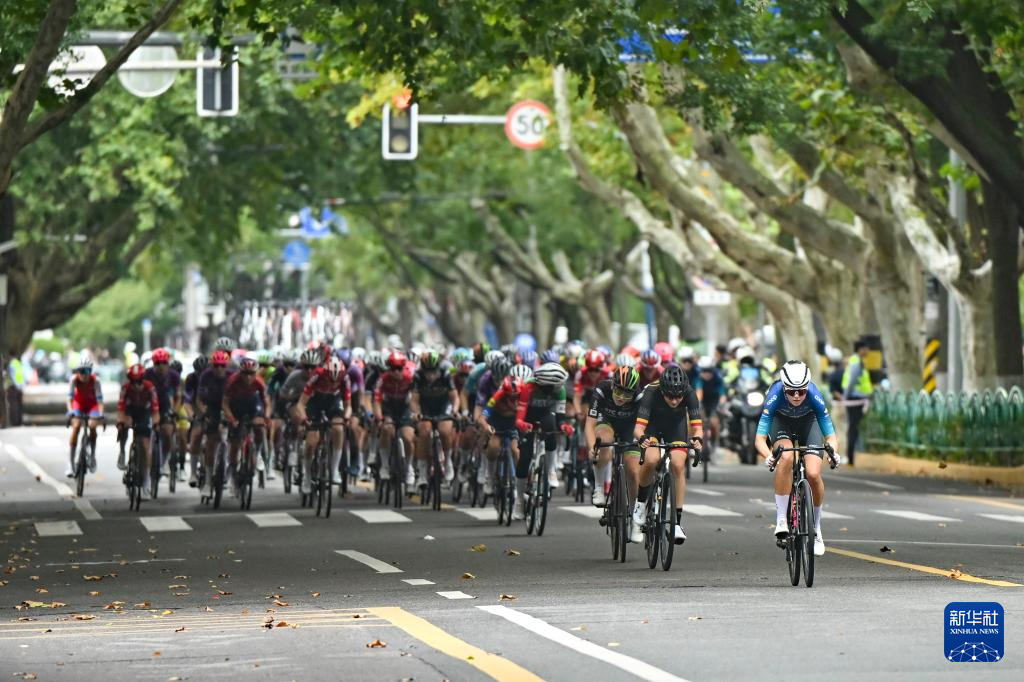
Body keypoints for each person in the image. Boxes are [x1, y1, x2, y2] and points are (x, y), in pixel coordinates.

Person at [755, 360, 840, 557]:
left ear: (807, 387)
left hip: (808, 423)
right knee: (786, 457)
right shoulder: (774, 395)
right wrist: (768, 456)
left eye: (801, 391)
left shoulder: (815, 395)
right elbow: (759, 439)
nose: (796, 395)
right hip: (781, 423)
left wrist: (833, 453)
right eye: (791, 391)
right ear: (783, 388)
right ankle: (781, 520)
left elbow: (831, 437)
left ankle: (816, 528)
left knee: (813, 473)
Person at [632, 364, 703, 545]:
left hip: (676, 427)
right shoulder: (651, 392)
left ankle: (677, 523)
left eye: (678, 396)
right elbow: (638, 429)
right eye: (670, 396)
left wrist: (697, 440)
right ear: (662, 390)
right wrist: (642, 438)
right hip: (652, 427)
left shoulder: (690, 393)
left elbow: (697, 428)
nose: (674, 401)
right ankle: (640, 504)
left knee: (678, 464)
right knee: (652, 459)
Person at [514, 362, 573, 520]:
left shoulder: (560, 390)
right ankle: (519, 500)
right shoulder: (528, 387)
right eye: (556, 386)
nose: (559, 388)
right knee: (525, 457)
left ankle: (551, 470)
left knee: (551, 427)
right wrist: (522, 424)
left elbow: (560, 416)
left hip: (546, 415)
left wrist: (564, 426)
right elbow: (519, 417)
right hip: (527, 417)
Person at [585, 366, 642, 515]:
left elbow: (644, 426)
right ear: (612, 385)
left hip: (629, 428)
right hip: (606, 422)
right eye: (618, 391)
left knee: (634, 470)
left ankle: (634, 513)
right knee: (604, 440)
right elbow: (589, 425)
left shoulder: (639, 397)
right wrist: (592, 447)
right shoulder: (601, 390)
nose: (621, 397)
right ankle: (598, 487)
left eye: (627, 394)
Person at [294, 356, 351, 490]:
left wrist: (346, 418)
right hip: (316, 402)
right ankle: (307, 476)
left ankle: (334, 470)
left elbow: (348, 406)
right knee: (311, 442)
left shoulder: (345, 378)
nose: (333, 383)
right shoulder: (317, 375)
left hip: (333, 402)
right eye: (330, 380)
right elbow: (300, 404)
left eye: (336, 381)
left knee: (338, 429)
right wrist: (304, 418)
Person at [221, 356, 271, 497]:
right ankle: (232, 472)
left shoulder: (259, 382)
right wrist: (231, 419)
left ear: (256, 373)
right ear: (240, 372)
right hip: (236, 407)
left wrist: (266, 417)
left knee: (259, 427)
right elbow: (225, 403)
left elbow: (267, 402)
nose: (248, 377)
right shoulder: (233, 381)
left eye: (251, 374)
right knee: (235, 443)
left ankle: (258, 452)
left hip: (253, 406)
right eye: (245, 374)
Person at [411, 350, 459, 487]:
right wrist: (417, 413)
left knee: (445, 431)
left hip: (443, 406)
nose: (431, 375)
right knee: (424, 432)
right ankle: (422, 473)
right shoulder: (418, 376)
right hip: (425, 406)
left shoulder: (445, 374)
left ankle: (448, 461)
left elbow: (454, 397)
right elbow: (414, 400)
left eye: (433, 371)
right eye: (427, 371)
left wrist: (455, 411)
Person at [115, 364, 160, 495]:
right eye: (133, 381)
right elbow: (121, 408)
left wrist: (156, 423)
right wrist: (121, 422)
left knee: (146, 447)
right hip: (131, 411)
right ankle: (122, 452)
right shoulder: (125, 388)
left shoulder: (150, 388)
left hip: (144, 412)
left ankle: (146, 482)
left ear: (143, 379)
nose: (136, 385)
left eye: (139, 381)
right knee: (123, 425)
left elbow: (155, 410)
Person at [195, 350, 233, 500]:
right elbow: (199, 399)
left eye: (222, 366)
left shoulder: (232, 376)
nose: (219, 369)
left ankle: (230, 475)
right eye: (216, 366)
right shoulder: (206, 376)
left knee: (234, 439)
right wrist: (204, 411)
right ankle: (208, 481)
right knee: (211, 443)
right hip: (212, 407)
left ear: (227, 366)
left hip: (229, 407)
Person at [479, 375, 525, 496]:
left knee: (516, 451)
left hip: (514, 423)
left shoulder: (524, 395)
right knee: (493, 447)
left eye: (516, 396)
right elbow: (482, 418)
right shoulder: (497, 396)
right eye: (510, 396)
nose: (514, 399)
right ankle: (489, 476)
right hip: (497, 422)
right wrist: (486, 426)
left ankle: (520, 482)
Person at [142, 348, 182, 481]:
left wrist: (175, 411)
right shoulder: (147, 374)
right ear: (153, 363)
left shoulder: (174, 376)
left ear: (168, 363)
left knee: (168, 431)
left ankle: (164, 461)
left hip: (165, 406)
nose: (161, 366)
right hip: (148, 406)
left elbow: (178, 396)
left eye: (164, 363)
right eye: (157, 363)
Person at [66, 359, 103, 477]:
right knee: (76, 426)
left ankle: (92, 455)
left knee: (92, 426)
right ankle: (70, 463)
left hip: (92, 405)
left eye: (86, 371)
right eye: (80, 371)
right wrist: (71, 411)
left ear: (90, 372)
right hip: (79, 404)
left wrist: (100, 414)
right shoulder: (74, 380)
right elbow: (69, 399)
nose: (83, 374)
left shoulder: (96, 381)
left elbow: (100, 401)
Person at [841, 339, 873, 467]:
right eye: (866, 348)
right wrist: (846, 396)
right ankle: (851, 457)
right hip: (855, 399)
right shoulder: (856, 362)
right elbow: (852, 380)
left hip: (857, 398)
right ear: (861, 349)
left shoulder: (857, 361)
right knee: (853, 428)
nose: (868, 351)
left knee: (854, 427)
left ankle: (852, 455)